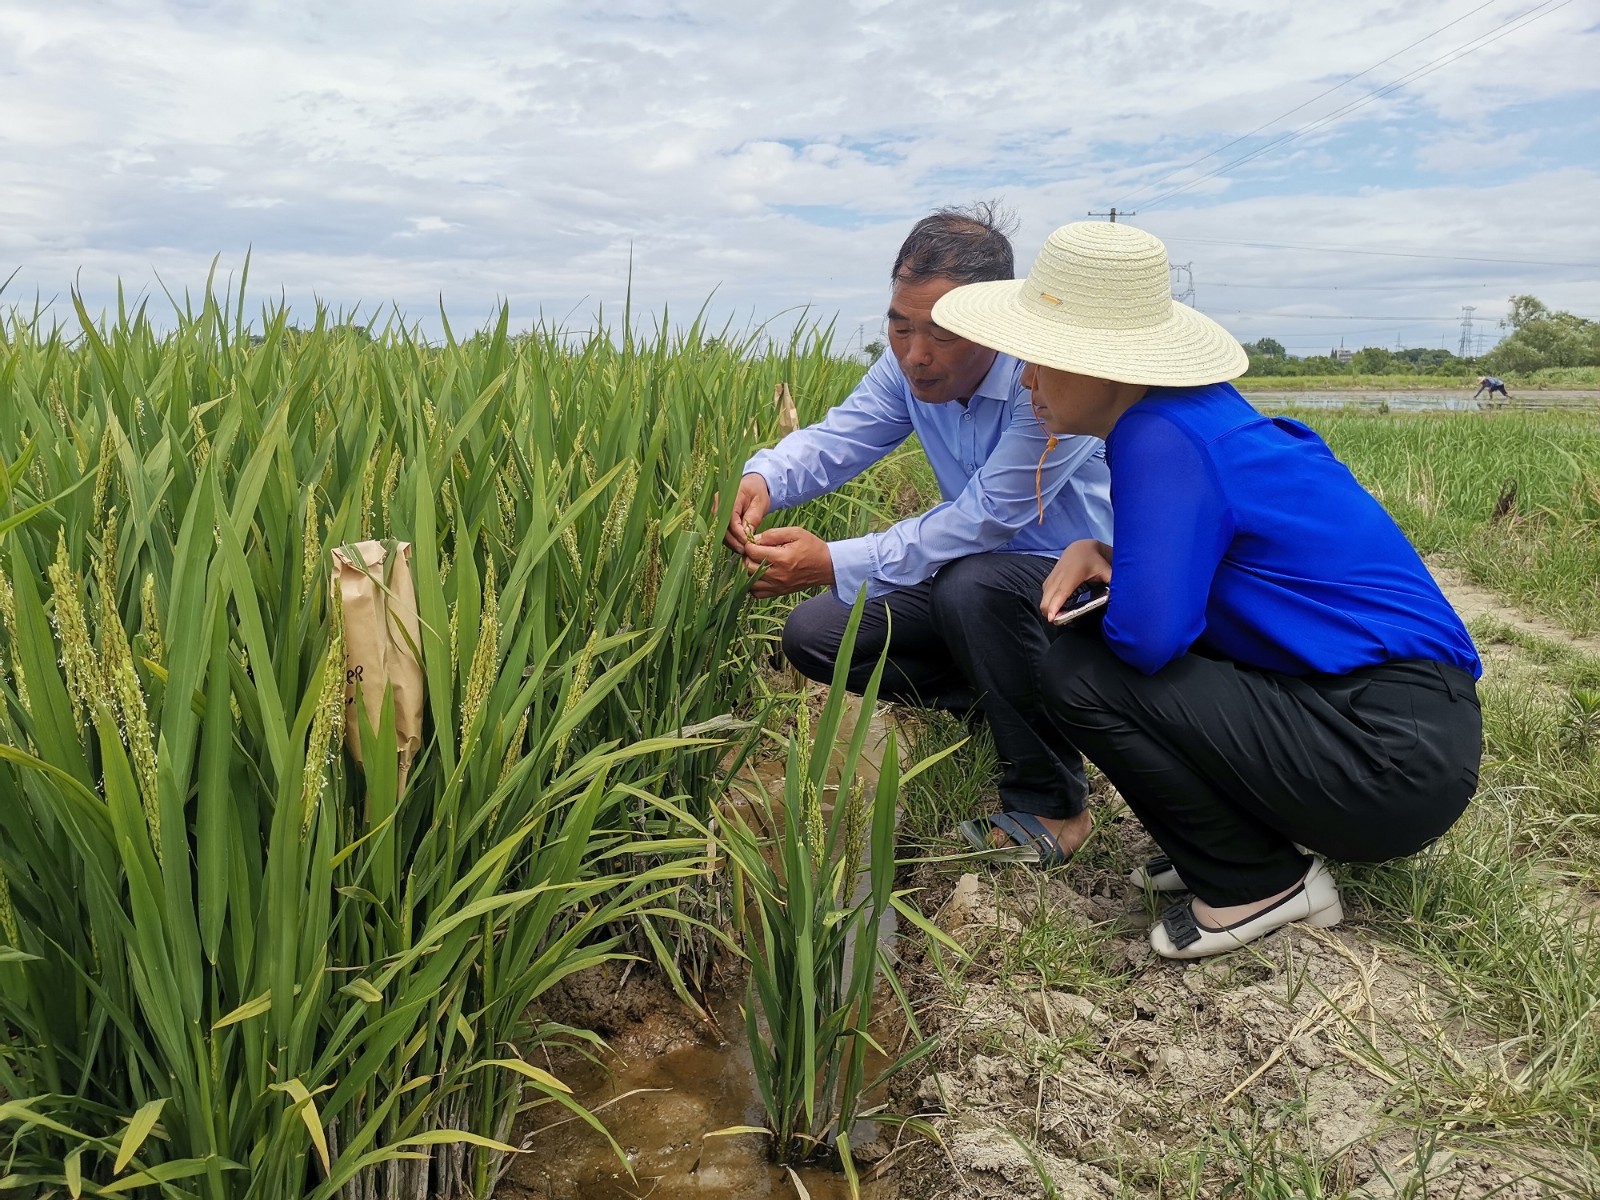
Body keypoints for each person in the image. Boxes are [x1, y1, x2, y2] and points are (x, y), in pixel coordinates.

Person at [930, 221, 1483, 959]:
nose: (1026, 379)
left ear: (1109, 364)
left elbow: (1147, 639)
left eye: (1040, 359)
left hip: (1382, 759)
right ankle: (1231, 841)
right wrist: (1112, 555)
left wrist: (1115, 583)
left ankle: (1257, 881)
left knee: (1083, 666)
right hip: (1399, 736)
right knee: (1115, 656)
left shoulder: (1160, 435)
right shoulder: (1198, 417)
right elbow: (1236, 580)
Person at [725, 204, 1114, 864]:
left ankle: (1054, 805)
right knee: (816, 634)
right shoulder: (905, 368)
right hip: (983, 591)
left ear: (998, 326)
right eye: (899, 327)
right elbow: (840, 437)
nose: (915, 354)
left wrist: (831, 560)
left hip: (1079, 594)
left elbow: (985, 517)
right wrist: (764, 477)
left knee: (972, 583)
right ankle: (1004, 701)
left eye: (940, 335)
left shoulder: (1048, 381)